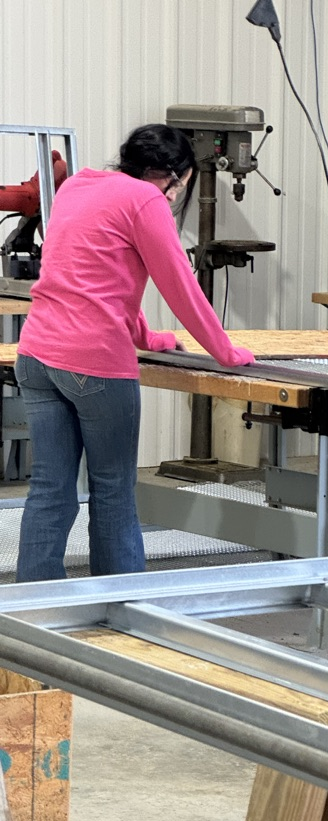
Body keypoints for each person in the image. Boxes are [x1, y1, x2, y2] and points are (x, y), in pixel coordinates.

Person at [15, 123, 255, 582]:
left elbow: (94, 277)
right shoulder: (146, 201)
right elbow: (179, 286)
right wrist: (223, 350)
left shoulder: (76, 187)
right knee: (113, 491)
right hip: (95, 366)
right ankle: (120, 607)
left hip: (38, 355)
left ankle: (34, 610)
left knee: (49, 488)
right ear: (174, 175)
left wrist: (147, 338)